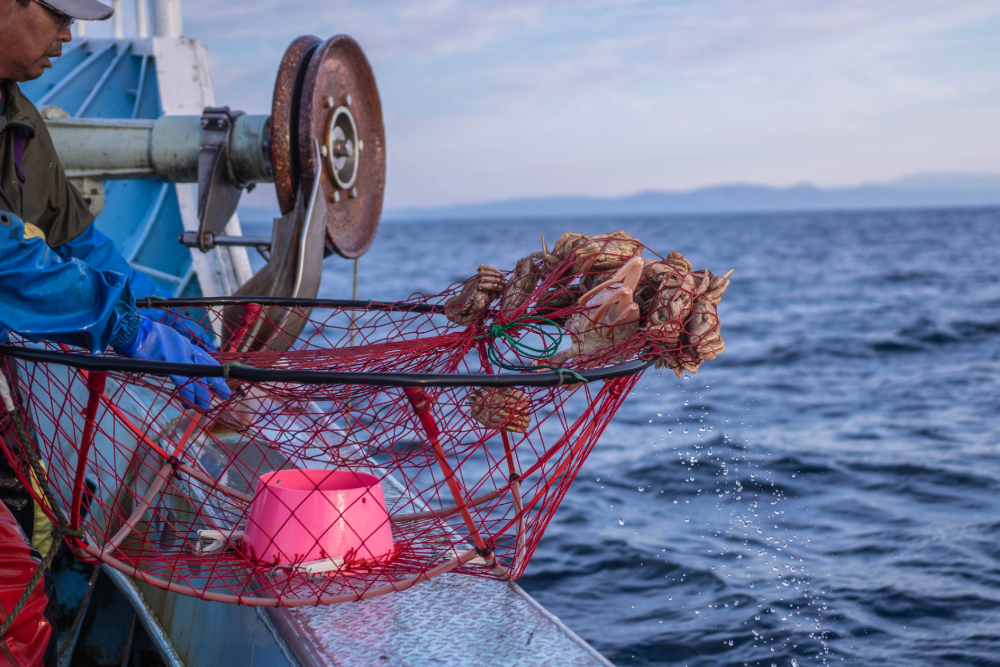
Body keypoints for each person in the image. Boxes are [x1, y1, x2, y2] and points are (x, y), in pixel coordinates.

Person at [0, 2, 229, 664]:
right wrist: (122, 325)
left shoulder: (17, 118)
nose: (71, 36)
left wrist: (148, 310)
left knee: (40, 528)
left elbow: (76, 237)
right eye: (58, 15)